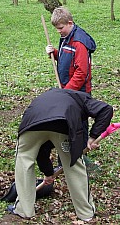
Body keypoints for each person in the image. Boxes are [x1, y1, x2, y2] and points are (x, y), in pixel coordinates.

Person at [8, 88, 113, 222]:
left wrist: (48, 173)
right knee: (74, 165)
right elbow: (106, 109)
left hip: (32, 124)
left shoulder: (48, 97)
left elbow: (41, 149)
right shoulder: (82, 98)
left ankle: (24, 209)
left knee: (24, 160)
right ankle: (86, 213)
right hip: (62, 124)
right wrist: (92, 137)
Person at [45, 6, 98, 172]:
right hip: (68, 91)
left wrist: (66, 92)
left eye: (60, 28)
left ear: (70, 23)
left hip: (78, 92)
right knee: (67, 124)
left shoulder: (79, 43)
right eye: (56, 29)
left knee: (78, 125)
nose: (58, 32)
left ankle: (79, 159)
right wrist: (54, 52)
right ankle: (66, 158)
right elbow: (65, 58)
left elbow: (81, 72)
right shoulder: (67, 36)